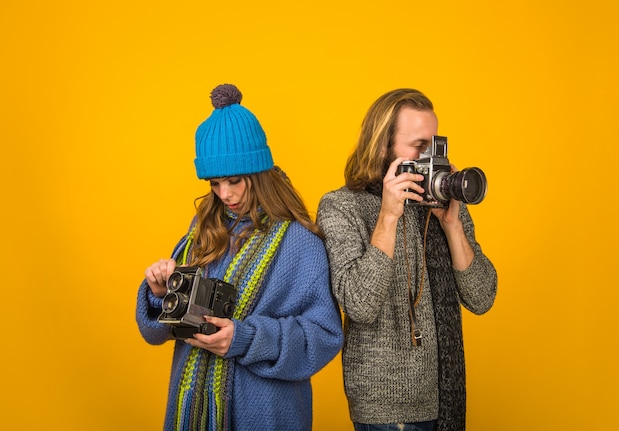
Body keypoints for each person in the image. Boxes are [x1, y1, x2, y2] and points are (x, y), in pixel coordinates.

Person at [136, 83, 344, 431]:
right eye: (214, 183)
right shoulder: (203, 230)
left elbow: (323, 335)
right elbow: (157, 331)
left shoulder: (300, 243)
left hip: (266, 415)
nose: (225, 194)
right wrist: (162, 292)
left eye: (234, 180)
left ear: (258, 173)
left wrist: (245, 338)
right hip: (192, 409)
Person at [316, 88, 497, 431]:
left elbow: (482, 296)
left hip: (446, 393)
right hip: (387, 407)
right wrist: (388, 217)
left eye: (436, 146)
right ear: (384, 146)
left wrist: (453, 224)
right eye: (419, 147)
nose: (432, 158)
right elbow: (358, 304)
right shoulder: (342, 207)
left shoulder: (444, 204)